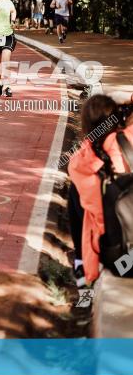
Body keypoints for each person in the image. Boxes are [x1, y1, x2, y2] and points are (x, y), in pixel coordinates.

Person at [67, 95, 133, 287]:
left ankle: (80, 265)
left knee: (76, 193)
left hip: (122, 262)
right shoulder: (129, 137)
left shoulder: (81, 162)